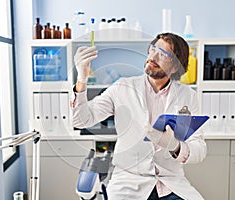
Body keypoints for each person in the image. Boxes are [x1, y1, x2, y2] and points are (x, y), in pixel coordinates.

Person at [72, 32, 207, 200]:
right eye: (153, 49)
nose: (153, 56)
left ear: (175, 67)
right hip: (128, 183)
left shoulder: (188, 96)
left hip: (170, 184)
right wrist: (82, 79)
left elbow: (199, 149)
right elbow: (81, 119)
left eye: (163, 54)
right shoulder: (123, 87)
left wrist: (175, 146)